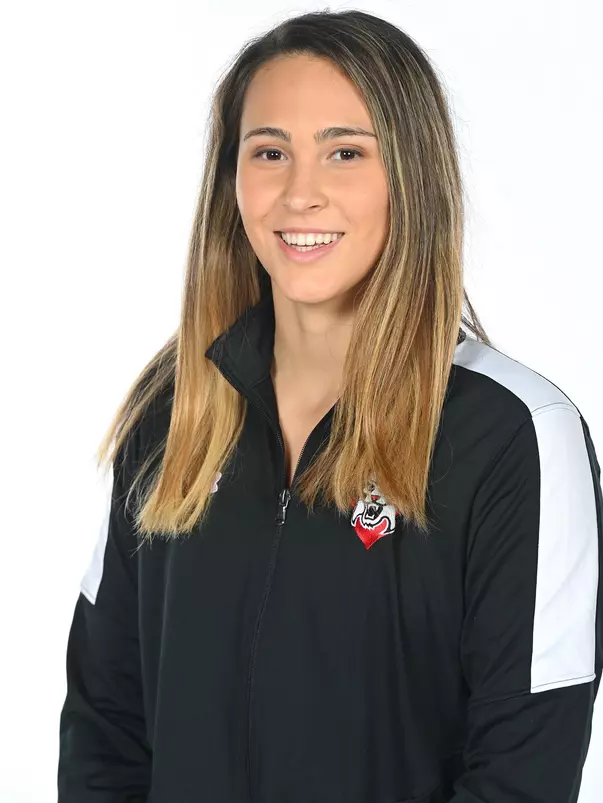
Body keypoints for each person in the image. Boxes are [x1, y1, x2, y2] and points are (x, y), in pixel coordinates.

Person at [57, 9, 602, 803]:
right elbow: (104, 726)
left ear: (410, 176)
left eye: (344, 152)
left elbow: (521, 771)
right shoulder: (171, 416)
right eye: (268, 152)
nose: (299, 193)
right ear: (232, 180)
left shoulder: (514, 436)